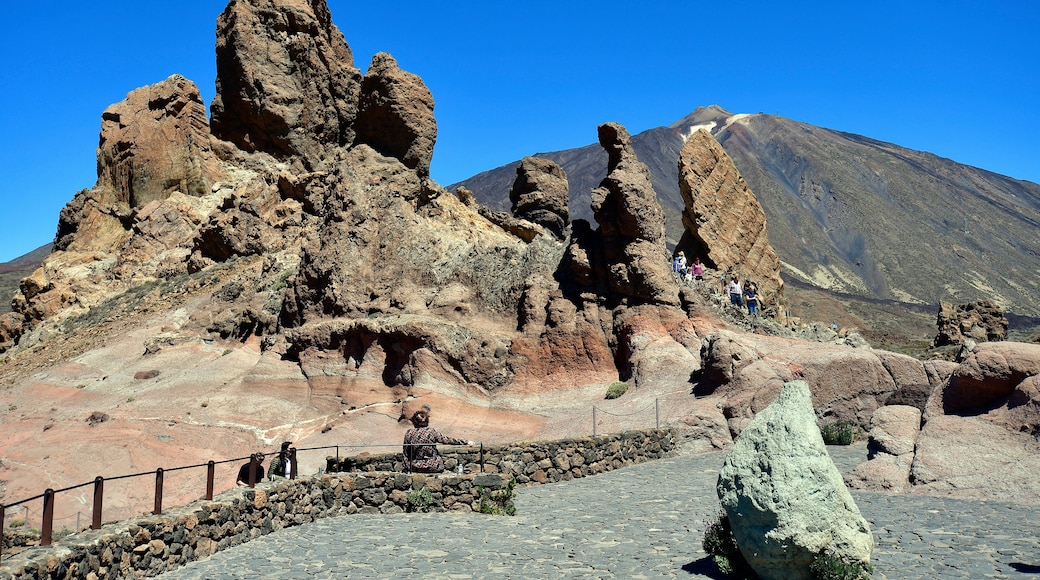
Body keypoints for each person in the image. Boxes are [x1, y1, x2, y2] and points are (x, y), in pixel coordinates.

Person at [402, 409, 474, 473]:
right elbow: (447, 440)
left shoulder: (409, 433)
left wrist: (406, 467)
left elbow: (405, 452)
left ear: (414, 422)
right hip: (434, 465)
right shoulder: (431, 431)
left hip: (416, 466)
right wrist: (466, 442)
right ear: (426, 421)